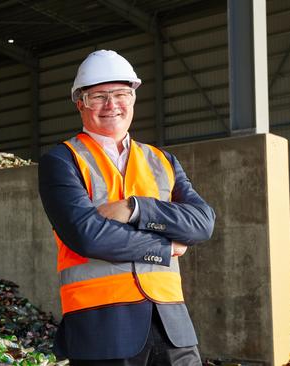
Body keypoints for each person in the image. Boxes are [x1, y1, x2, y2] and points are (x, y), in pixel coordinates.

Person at [38, 50, 216, 365]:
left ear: (132, 98)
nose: (112, 105)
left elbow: (202, 223)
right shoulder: (62, 160)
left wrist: (135, 209)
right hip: (102, 326)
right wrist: (165, 247)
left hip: (173, 324)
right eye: (99, 97)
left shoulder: (162, 160)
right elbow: (88, 236)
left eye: (121, 94)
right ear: (80, 102)